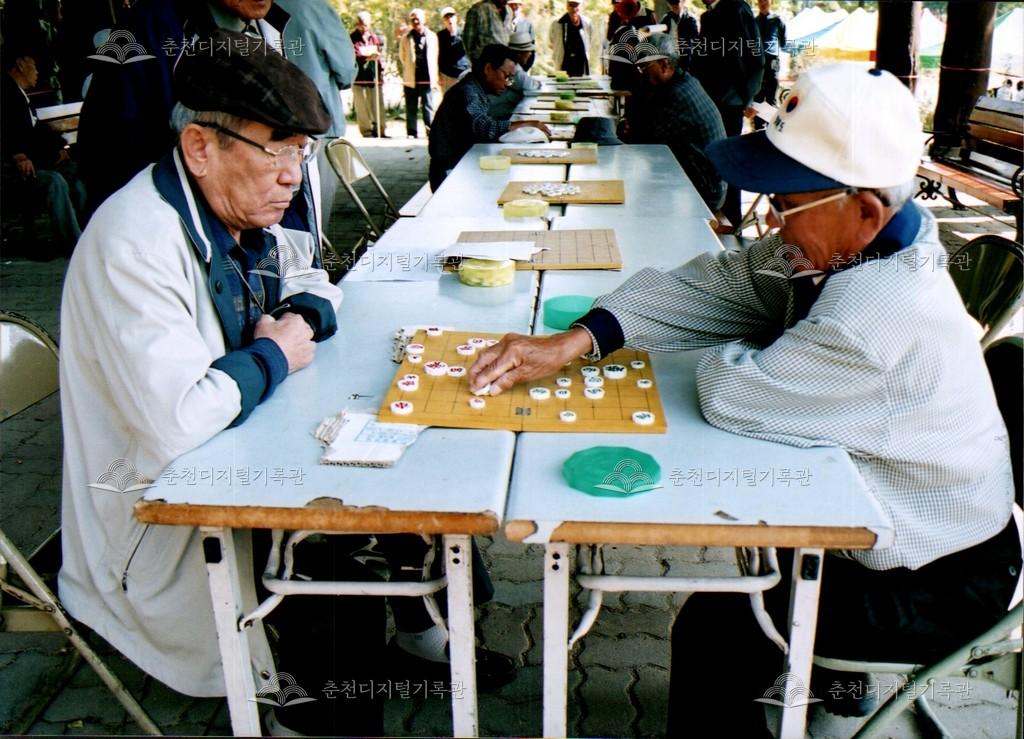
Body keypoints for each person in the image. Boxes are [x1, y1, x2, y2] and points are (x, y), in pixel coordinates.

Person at [466, 64, 1021, 734]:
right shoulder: (862, 243)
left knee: (716, 634)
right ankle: (834, 687)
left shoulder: (877, 312)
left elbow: (731, 391)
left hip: (932, 580)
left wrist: (751, 337)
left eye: (786, 206)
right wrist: (582, 339)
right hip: (912, 525)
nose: (774, 225)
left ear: (865, 210)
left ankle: (830, 681)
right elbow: (720, 283)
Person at [57, 31, 390, 736]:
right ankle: (309, 714)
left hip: (227, 458)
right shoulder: (135, 239)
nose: (293, 177)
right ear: (201, 147)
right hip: (151, 511)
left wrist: (297, 322)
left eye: (301, 152)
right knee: (336, 547)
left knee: (391, 493)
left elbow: (313, 280)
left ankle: (405, 646)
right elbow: (176, 421)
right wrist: (274, 355)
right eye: (276, 150)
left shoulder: (232, 207)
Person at [620, 34, 725, 213]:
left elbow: (642, 143)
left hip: (704, 191)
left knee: (632, 201)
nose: (641, 74)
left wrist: (629, 128)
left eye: (643, 67)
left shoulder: (677, 96)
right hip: (702, 181)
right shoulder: (685, 81)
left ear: (665, 65)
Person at [274, 0, 355, 222]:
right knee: (315, 212)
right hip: (317, 123)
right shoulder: (315, 7)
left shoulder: (254, 10)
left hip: (266, 127)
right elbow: (346, 68)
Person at [428, 43, 549, 190]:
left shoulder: (475, 88)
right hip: (449, 171)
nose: (508, 84)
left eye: (511, 79)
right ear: (488, 69)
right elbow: (484, 128)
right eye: (506, 76)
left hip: (462, 164)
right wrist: (526, 124)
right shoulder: (468, 92)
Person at [1, 45, 86, 254]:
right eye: (33, 65)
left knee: (78, 172)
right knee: (54, 182)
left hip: (37, 162)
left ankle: (88, 234)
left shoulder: (20, 95)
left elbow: (36, 131)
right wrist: (18, 156)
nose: (37, 71)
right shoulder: (5, 92)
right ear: (20, 64)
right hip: (13, 170)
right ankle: (73, 244)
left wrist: (59, 148)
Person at [690, 0, 762, 229]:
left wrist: (748, 97)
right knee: (712, 159)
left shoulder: (737, 8)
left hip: (730, 100)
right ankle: (718, 215)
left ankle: (732, 220)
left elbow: (755, 56)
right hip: (710, 97)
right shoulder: (710, 15)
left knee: (728, 159)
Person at [398, 8, 439, 138]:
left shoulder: (432, 36)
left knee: (428, 106)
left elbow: (436, 55)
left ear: (424, 19)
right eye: (413, 19)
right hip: (411, 77)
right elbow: (402, 56)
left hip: (427, 77)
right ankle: (411, 132)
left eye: (418, 18)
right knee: (411, 106)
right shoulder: (405, 38)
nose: (415, 21)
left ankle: (430, 131)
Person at [487, 31, 542, 119]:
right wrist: (537, 83)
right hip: (494, 114)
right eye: (528, 51)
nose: (530, 54)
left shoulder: (510, 65)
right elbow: (531, 85)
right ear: (519, 54)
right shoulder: (514, 69)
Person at [351, 11, 387, 137]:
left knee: (377, 103)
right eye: (361, 24)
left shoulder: (374, 37)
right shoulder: (352, 38)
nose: (364, 27)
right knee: (361, 105)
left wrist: (379, 65)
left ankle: (380, 129)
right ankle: (366, 131)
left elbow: (379, 54)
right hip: (358, 76)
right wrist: (367, 57)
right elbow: (354, 55)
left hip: (373, 75)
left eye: (366, 24)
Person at [752, 0, 786, 130]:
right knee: (758, 96)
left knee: (771, 96)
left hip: (773, 61)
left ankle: (772, 129)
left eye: (765, 0)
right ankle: (758, 128)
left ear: (770, 2)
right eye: (760, 1)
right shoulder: (754, 21)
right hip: (758, 63)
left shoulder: (777, 20)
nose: (763, 3)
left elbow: (783, 42)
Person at [550, 0, 596, 78]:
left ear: (581, 7)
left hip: (581, 63)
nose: (574, 9)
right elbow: (551, 42)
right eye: (571, 5)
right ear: (567, 6)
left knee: (582, 84)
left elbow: (590, 41)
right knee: (562, 83)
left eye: (576, 5)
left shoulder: (587, 23)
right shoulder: (557, 23)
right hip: (563, 63)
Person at [437, 6, 470, 94]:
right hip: (447, 76)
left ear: (456, 18)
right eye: (446, 17)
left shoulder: (465, 33)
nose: (449, 19)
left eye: (451, 16)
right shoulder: (440, 36)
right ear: (444, 21)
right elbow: (436, 57)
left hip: (464, 74)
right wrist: (437, 75)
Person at [660, 0, 699, 71]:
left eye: (677, 4)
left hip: (685, 56)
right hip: (669, 55)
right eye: (672, 4)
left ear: (683, 2)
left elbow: (695, 38)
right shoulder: (666, 19)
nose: (674, 7)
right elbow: (662, 36)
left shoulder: (690, 18)